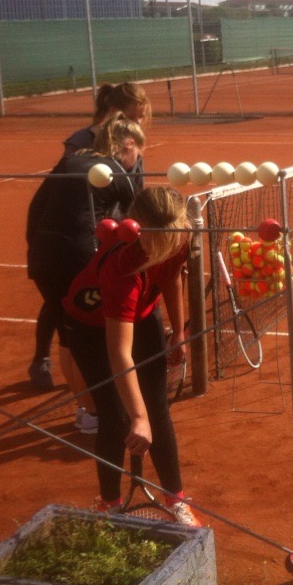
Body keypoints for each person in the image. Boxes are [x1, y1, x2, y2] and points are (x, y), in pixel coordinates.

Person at [63, 186, 200, 526]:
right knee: (116, 416)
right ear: (138, 228)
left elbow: (170, 279)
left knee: (159, 408)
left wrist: (178, 333)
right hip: (92, 330)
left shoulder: (177, 237)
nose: (169, 247)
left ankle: (176, 500)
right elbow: (118, 351)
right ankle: (109, 503)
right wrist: (138, 417)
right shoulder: (123, 269)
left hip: (142, 313)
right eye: (161, 241)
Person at [27, 113, 146, 433]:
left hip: (41, 255)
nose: (137, 160)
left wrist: (35, 251)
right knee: (95, 336)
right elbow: (140, 218)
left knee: (68, 335)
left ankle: (86, 411)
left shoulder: (69, 161)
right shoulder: (114, 170)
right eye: (138, 152)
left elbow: (35, 208)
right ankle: (99, 412)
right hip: (77, 257)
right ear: (129, 144)